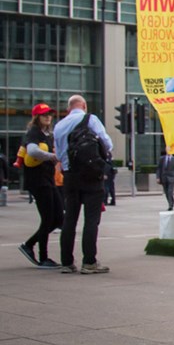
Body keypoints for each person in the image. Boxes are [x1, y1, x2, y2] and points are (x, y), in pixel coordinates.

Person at [54, 94, 113, 274]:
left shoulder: (59, 126)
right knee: (91, 220)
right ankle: (89, 262)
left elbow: (58, 154)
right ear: (84, 106)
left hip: (69, 176)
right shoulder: (90, 119)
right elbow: (107, 144)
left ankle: (66, 262)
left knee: (70, 219)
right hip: (91, 176)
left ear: (68, 109)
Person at [18, 103, 63, 268]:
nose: (48, 117)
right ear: (37, 117)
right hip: (38, 181)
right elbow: (32, 151)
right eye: (44, 114)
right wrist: (53, 156)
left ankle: (29, 245)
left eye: (50, 114)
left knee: (59, 218)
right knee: (48, 219)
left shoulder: (48, 134)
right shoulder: (34, 133)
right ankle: (43, 257)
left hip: (48, 179)